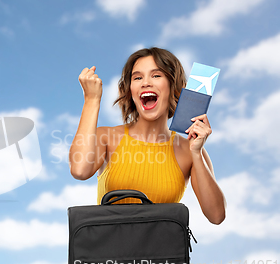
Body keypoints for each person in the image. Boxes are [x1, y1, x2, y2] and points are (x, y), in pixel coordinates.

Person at [69, 47, 226, 225]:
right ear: (131, 90)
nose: (146, 83)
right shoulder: (106, 137)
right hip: (109, 250)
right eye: (137, 77)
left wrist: (197, 153)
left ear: (172, 85)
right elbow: (80, 170)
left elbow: (216, 216)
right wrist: (91, 99)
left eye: (156, 75)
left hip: (164, 252)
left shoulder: (190, 150)